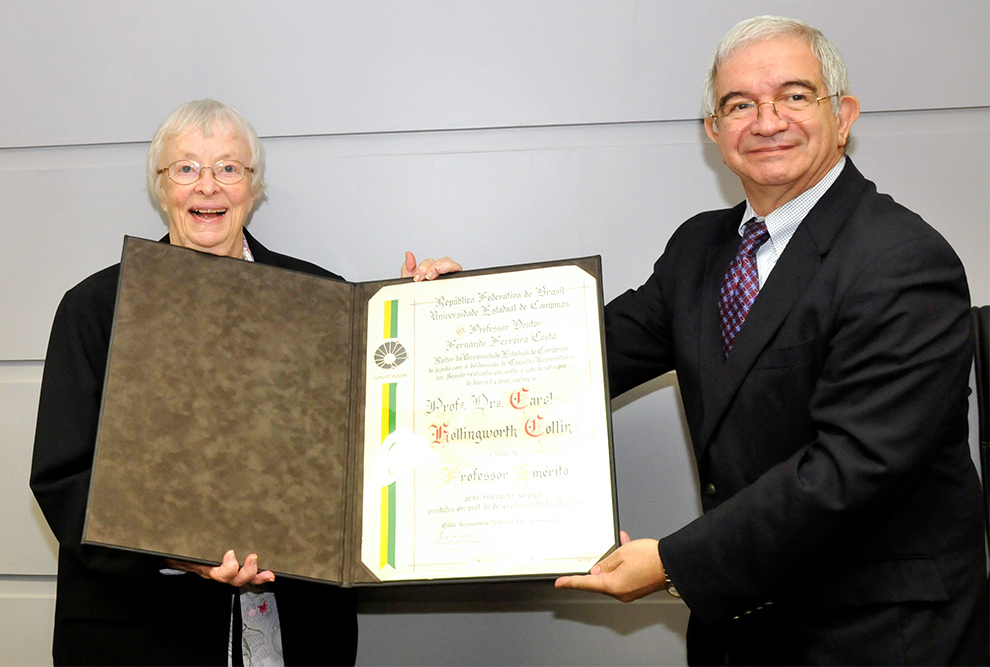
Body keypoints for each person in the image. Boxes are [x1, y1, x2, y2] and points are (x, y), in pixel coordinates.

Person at [556, 15, 988, 665]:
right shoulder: (699, 248)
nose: (766, 120)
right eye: (738, 104)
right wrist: (449, 316)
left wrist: (672, 561)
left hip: (876, 635)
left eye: (793, 94)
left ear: (843, 116)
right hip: (741, 630)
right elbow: (578, 355)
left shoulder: (902, 259)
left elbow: (852, 467)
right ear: (714, 132)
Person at [30, 98, 460, 666]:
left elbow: (383, 445)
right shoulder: (96, 308)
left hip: (298, 630)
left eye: (229, 168)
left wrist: (432, 321)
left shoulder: (326, 303)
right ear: (161, 188)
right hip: (142, 634)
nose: (208, 187)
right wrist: (183, 553)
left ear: (254, 189)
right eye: (186, 169)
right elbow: (64, 479)